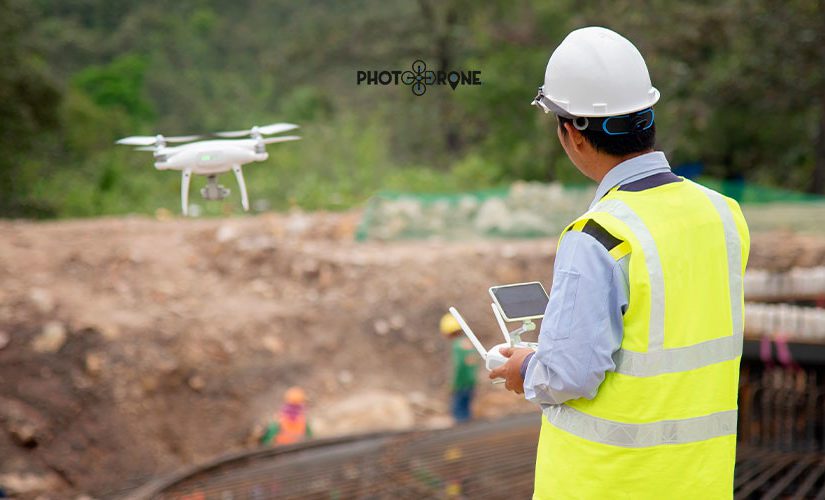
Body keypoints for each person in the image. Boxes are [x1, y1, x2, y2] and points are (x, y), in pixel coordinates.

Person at [490, 26, 750, 499]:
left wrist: (525, 368)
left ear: (571, 133)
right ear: (647, 116)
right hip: (700, 482)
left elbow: (567, 374)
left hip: (608, 483)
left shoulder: (598, 236)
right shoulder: (724, 215)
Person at [440, 313, 478, 423]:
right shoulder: (467, 343)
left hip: (461, 385)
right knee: (466, 413)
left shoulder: (457, 346)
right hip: (471, 383)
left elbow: (459, 366)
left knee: (459, 414)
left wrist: (454, 384)